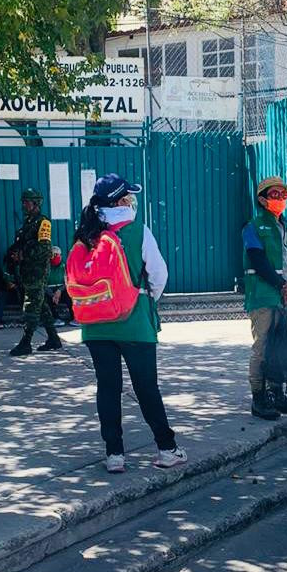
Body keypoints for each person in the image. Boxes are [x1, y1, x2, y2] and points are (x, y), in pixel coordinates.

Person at [75, 173, 186, 473]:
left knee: (108, 388)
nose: (132, 201)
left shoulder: (86, 232)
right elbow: (159, 275)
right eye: (129, 196)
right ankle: (167, 449)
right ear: (121, 201)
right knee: (146, 386)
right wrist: (144, 299)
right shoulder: (137, 230)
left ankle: (114, 455)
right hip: (134, 322)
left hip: (95, 324)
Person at [242, 176, 287, 421]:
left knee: (283, 347)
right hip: (264, 296)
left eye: (284, 195)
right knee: (263, 347)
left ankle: (276, 394)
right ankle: (259, 399)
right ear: (262, 199)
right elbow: (258, 261)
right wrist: (282, 286)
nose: (281, 200)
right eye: (276, 195)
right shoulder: (253, 227)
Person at [8, 188, 62, 355]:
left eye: (27, 202)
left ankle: (26, 342)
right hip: (28, 271)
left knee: (31, 306)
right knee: (42, 305)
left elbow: (44, 249)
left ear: (36, 203)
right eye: (23, 202)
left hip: (37, 272)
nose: (24, 205)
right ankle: (54, 339)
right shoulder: (28, 221)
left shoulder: (42, 222)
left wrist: (23, 255)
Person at [0, 245, 22, 329]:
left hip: (20, 296)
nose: (20, 256)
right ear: (12, 255)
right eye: (17, 254)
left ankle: (31, 318)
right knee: (1, 294)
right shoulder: (5, 268)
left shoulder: (24, 265)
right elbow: (9, 284)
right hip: (8, 295)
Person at [45, 246, 75, 326]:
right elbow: (43, 283)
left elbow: (68, 280)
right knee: (45, 298)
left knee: (70, 295)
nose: (56, 256)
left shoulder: (64, 266)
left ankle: (75, 317)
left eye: (57, 254)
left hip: (62, 289)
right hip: (50, 291)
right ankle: (55, 318)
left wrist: (60, 290)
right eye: (53, 255)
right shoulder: (45, 267)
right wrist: (52, 294)